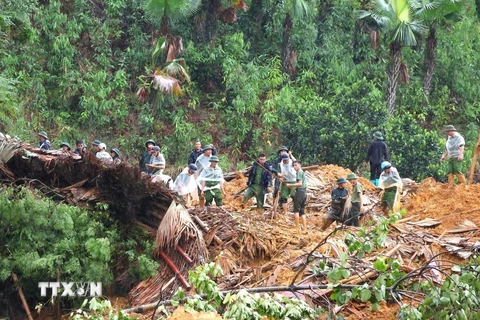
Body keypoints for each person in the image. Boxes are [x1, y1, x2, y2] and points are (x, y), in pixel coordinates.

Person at [285, 160, 308, 230]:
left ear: (300, 165)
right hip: (304, 193)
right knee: (302, 211)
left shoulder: (299, 172)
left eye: (296, 165)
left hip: (300, 192)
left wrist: (290, 185)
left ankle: (297, 227)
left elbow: (300, 184)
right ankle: (304, 227)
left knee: (296, 210)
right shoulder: (302, 172)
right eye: (294, 165)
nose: (295, 167)